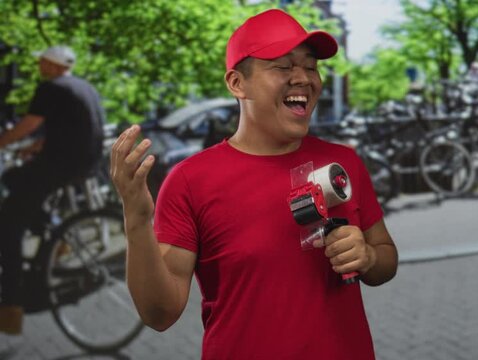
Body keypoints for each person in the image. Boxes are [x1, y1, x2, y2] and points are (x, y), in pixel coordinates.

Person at [110, 9, 398, 360]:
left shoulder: (344, 163)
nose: (304, 78)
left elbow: (386, 257)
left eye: (310, 66)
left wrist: (367, 257)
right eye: (282, 66)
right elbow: (160, 314)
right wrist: (137, 221)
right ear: (236, 83)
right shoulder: (190, 181)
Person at [0, 45, 105, 334]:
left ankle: (10, 305)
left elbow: (29, 123)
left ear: (53, 65)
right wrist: (35, 147)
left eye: (42, 62)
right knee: (13, 179)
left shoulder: (50, 87)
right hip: (84, 163)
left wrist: (3, 142)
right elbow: (73, 127)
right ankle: (57, 235)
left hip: (60, 163)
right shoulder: (82, 86)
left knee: (9, 225)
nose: (39, 66)